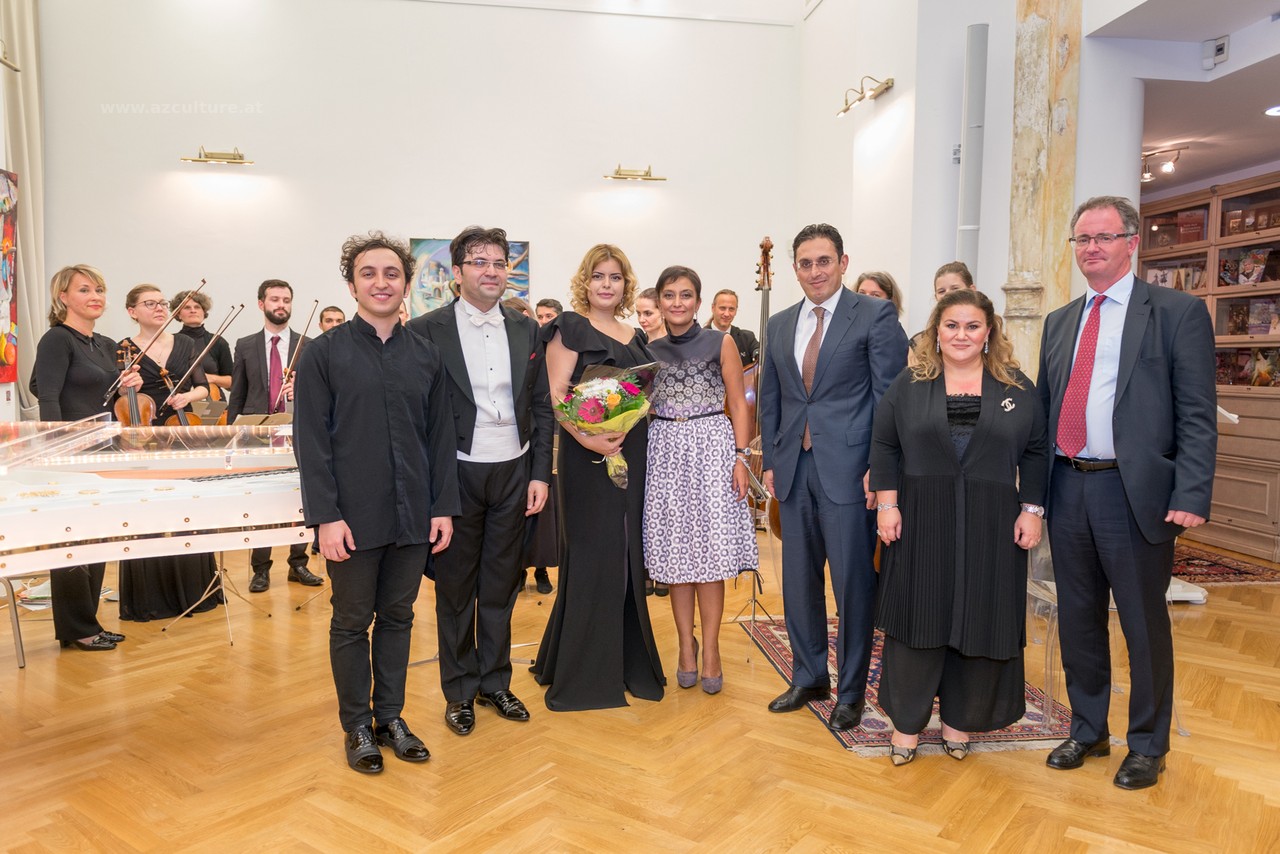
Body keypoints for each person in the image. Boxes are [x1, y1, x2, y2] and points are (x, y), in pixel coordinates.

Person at [1038, 195, 1217, 791]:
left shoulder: (1176, 313)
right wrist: (1033, 495)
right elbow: (1044, 412)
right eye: (1082, 238)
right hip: (1068, 484)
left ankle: (1147, 744)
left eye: (1104, 237)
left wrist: (1191, 491)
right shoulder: (1060, 321)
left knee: (1142, 623)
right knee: (1077, 618)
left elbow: (1197, 414)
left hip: (1134, 492)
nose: (1091, 247)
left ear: (1132, 243)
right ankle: (1088, 729)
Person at [295, 230, 459, 774]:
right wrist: (326, 517)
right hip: (352, 517)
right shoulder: (323, 354)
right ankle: (357, 725)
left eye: (392, 274)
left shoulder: (427, 355)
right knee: (350, 622)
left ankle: (390, 717)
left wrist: (442, 507)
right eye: (368, 273)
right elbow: (311, 443)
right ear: (351, 285)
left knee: (398, 617)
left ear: (406, 284)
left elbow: (439, 438)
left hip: (414, 513)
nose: (381, 282)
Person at [869, 289, 1048, 765]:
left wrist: (1032, 509)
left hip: (993, 520)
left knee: (979, 616)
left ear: (989, 331)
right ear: (937, 331)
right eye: (952, 325)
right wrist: (887, 505)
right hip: (921, 516)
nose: (961, 335)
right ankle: (906, 726)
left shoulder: (1016, 386)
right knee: (917, 616)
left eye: (972, 326)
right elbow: (884, 444)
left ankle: (959, 721)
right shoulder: (910, 383)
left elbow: (1036, 451)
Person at [758, 223, 908, 730]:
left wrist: (880, 470)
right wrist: (771, 461)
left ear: (843, 263)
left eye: (824, 261)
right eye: (805, 263)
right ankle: (808, 677)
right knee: (799, 583)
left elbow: (890, 400)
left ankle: (850, 691)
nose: (815, 271)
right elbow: (773, 399)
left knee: (852, 586)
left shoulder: (874, 315)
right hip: (794, 471)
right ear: (795, 268)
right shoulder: (780, 323)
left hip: (850, 473)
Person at [406, 226, 553, 737]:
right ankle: (459, 691)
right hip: (456, 472)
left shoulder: (526, 328)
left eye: (499, 262)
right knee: (455, 590)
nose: (491, 271)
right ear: (458, 271)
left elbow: (540, 406)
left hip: (515, 468)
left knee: (501, 585)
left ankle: (495, 682)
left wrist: (540, 474)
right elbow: (417, 415)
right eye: (479, 262)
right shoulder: (425, 330)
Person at [531, 244, 666, 710]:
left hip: (631, 451)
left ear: (626, 284)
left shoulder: (637, 335)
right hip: (585, 457)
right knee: (593, 553)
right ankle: (586, 670)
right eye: (598, 276)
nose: (606, 285)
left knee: (627, 554)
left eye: (615, 277)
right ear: (584, 282)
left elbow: (641, 394)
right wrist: (588, 439)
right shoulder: (569, 326)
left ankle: (626, 659)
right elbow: (556, 394)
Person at [644, 266, 757, 695]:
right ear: (659, 300)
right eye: (669, 295)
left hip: (712, 448)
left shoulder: (719, 341)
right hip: (665, 451)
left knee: (710, 557)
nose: (677, 302)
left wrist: (741, 458)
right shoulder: (647, 348)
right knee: (676, 558)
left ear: (698, 301)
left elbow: (739, 403)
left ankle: (711, 649)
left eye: (686, 294)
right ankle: (684, 647)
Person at [31, 264, 142, 651]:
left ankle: (89, 621)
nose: (95, 296)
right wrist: (57, 450)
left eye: (99, 289)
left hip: (103, 448)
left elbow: (103, 396)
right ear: (63, 297)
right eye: (84, 290)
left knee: (96, 536)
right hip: (71, 452)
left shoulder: (105, 344)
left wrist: (128, 386)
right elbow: (46, 396)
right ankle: (77, 627)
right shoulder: (57, 339)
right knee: (72, 539)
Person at [117, 284, 221, 622]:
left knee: (187, 509)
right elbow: (116, 397)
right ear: (132, 311)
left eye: (162, 303)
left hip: (182, 431)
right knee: (152, 512)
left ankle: (195, 591)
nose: (159, 308)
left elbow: (203, 386)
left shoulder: (186, 343)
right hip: (145, 436)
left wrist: (187, 397)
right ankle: (152, 598)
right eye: (150, 303)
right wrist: (126, 387)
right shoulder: (124, 349)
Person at [227, 279, 323, 591]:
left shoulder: (308, 344)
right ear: (261, 304)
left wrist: (302, 389)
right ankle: (260, 569)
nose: (281, 305)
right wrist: (230, 434)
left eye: (286, 300)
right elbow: (237, 394)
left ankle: (298, 563)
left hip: (298, 429)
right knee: (261, 501)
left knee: (300, 497)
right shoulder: (245, 344)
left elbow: (323, 393)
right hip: (257, 431)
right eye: (274, 299)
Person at [632, 286, 667, 597]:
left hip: (667, 429)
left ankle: (664, 571)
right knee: (644, 500)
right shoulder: (637, 347)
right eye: (639, 313)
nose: (643, 319)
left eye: (648, 313)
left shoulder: (674, 347)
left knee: (666, 502)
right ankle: (644, 569)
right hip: (641, 429)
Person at [172, 289, 233, 397]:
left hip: (213, 401)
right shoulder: (171, 341)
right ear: (178, 314)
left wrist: (211, 378)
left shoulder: (217, 342)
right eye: (187, 307)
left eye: (197, 307)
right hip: (180, 401)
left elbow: (232, 382)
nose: (193, 310)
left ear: (204, 313)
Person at [706, 288, 760, 366]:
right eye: (722, 308)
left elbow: (761, 356)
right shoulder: (699, 339)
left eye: (731, 309)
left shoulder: (747, 338)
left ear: (736, 311)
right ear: (713, 308)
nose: (727, 314)